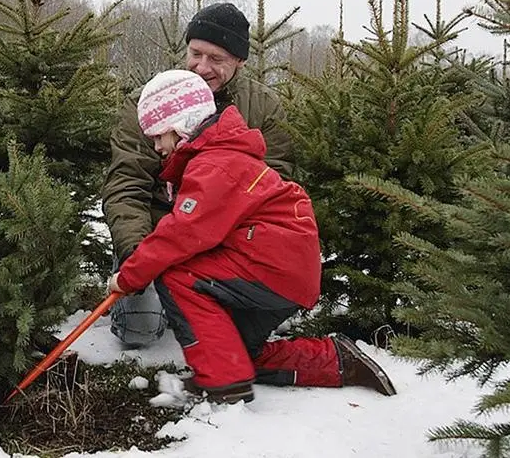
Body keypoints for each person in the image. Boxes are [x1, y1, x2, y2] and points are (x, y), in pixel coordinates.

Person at [106, 69, 397, 404]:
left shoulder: (214, 164)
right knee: (233, 353)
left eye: (159, 136)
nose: (156, 147)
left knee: (177, 275)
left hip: (270, 268)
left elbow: (181, 234)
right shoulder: (219, 156)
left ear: (181, 125)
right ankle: (336, 361)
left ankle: (224, 385)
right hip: (285, 272)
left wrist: (129, 276)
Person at [102, 2, 294, 348]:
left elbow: (274, 187)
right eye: (195, 54)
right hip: (157, 234)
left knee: (236, 333)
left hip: (226, 240)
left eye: (216, 59)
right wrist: (136, 256)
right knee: (139, 330)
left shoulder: (263, 108)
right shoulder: (149, 103)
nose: (202, 67)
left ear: (240, 61)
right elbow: (126, 184)